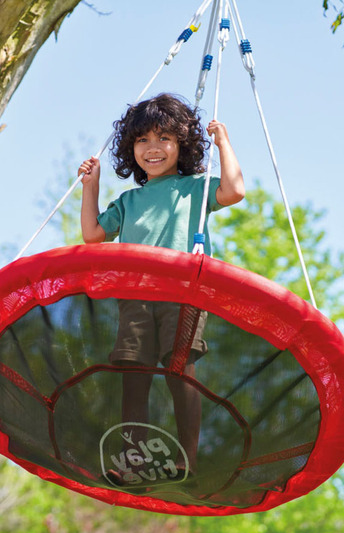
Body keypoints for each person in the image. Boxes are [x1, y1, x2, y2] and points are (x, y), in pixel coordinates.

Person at [79, 93, 245, 483]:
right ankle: (132, 457)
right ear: (131, 149)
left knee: (179, 370)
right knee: (133, 375)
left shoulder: (195, 188)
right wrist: (91, 185)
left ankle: (187, 456)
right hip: (135, 295)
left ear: (182, 145)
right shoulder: (130, 200)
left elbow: (235, 190)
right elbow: (92, 234)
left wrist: (223, 142)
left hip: (183, 292)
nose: (153, 148)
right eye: (142, 141)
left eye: (164, 138)